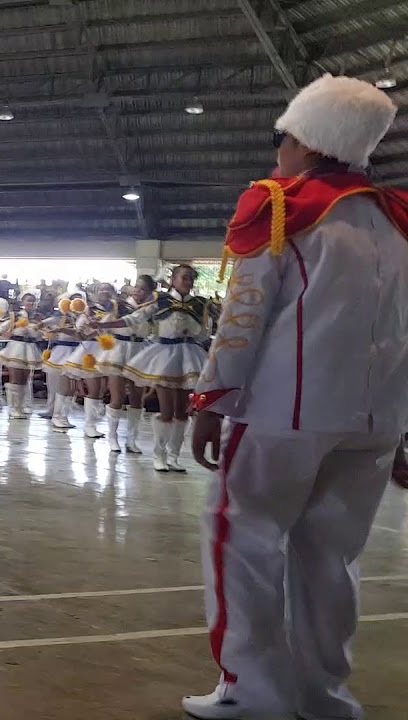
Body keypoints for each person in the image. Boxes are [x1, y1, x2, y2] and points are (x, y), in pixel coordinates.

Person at [180, 75, 408, 720]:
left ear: (305, 142)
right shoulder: (398, 219)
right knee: (332, 555)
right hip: (376, 419)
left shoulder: (279, 203)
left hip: (286, 411)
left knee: (243, 535)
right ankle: (324, 697)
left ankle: (251, 693)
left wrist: (214, 397)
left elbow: (244, 312)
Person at [96, 265, 210, 472]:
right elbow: (135, 318)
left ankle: (174, 456)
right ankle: (160, 454)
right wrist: (106, 326)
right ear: (173, 280)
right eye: (184, 277)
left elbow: (203, 332)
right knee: (166, 409)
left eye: (191, 278)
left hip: (189, 355)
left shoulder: (199, 304)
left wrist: (193, 334)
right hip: (164, 354)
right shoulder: (161, 300)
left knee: (183, 411)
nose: (188, 282)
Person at [97, 275, 157, 453]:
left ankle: (132, 439)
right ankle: (113, 437)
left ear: (150, 291)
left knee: (137, 398)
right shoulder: (118, 305)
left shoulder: (152, 309)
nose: (139, 292)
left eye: (144, 289)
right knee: (117, 396)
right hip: (119, 349)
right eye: (137, 287)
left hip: (139, 349)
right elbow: (103, 325)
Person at [64, 283, 120, 440]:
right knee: (94, 388)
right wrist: (86, 327)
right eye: (101, 289)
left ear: (113, 293)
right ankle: (90, 425)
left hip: (111, 350)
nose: (104, 292)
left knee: (103, 390)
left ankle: (95, 422)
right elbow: (79, 331)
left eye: (108, 290)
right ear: (95, 293)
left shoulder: (118, 308)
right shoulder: (89, 310)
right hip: (92, 349)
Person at [39, 292, 85, 432]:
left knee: (70, 386)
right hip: (60, 350)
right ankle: (54, 411)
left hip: (76, 351)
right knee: (55, 383)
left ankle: (62, 415)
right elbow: (45, 323)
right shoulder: (61, 316)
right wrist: (48, 332)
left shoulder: (83, 317)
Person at [0, 292, 41, 420]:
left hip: (30, 348)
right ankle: (13, 408)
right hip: (16, 347)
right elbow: (4, 327)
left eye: (33, 301)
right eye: (28, 300)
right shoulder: (15, 315)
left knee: (25, 380)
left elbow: (40, 334)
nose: (31, 303)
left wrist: (40, 330)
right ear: (23, 301)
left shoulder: (37, 317)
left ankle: (20, 407)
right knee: (15, 378)